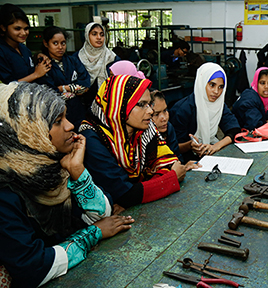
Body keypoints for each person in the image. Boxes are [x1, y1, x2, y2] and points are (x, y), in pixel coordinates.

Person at [0, 82, 134, 287]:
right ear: (29, 132)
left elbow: (103, 215)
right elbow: (33, 268)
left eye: (65, 117)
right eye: (57, 120)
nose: (70, 125)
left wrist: (78, 172)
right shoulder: (5, 193)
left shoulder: (54, 168)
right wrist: (92, 234)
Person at [80, 75, 194, 210]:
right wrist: (169, 180)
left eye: (149, 104)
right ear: (119, 106)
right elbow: (123, 193)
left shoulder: (145, 128)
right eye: (141, 105)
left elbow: (170, 163)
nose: (151, 111)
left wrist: (138, 193)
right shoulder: (91, 138)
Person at [169, 62, 241, 162]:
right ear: (202, 83)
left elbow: (234, 130)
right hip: (186, 161)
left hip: (209, 155)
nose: (216, 91)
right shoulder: (182, 109)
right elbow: (173, 147)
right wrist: (190, 145)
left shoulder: (218, 105)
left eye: (221, 87)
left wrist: (216, 146)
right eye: (212, 85)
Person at [36, 26, 91, 129]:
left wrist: (62, 88)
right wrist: (74, 90)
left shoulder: (73, 61)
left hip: (78, 112)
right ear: (46, 43)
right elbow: (48, 92)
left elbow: (85, 85)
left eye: (63, 43)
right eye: (55, 43)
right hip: (57, 117)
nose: (60, 47)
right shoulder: (44, 66)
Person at [0, 3, 51, 84]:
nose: (23, 33)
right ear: (3, 28)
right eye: (17, 29)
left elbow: (26, 68)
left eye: (26, 28)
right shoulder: (2, 52)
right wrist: (36, 74)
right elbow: (7, 86)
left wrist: (37, 58)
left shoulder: (23, 49)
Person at [75, 22, 120, 107]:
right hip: (82, 105)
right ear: (87, 36)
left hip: (107, 105)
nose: (99, 38)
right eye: (94, 34)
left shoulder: (112, 58)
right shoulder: (77, 58)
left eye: (102, 34)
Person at [151, 90, 183, 163]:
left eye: (165, 110)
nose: (164, 118)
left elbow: (177, 156)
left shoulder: (168, 127)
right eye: (156, 114)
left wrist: (184, 167)